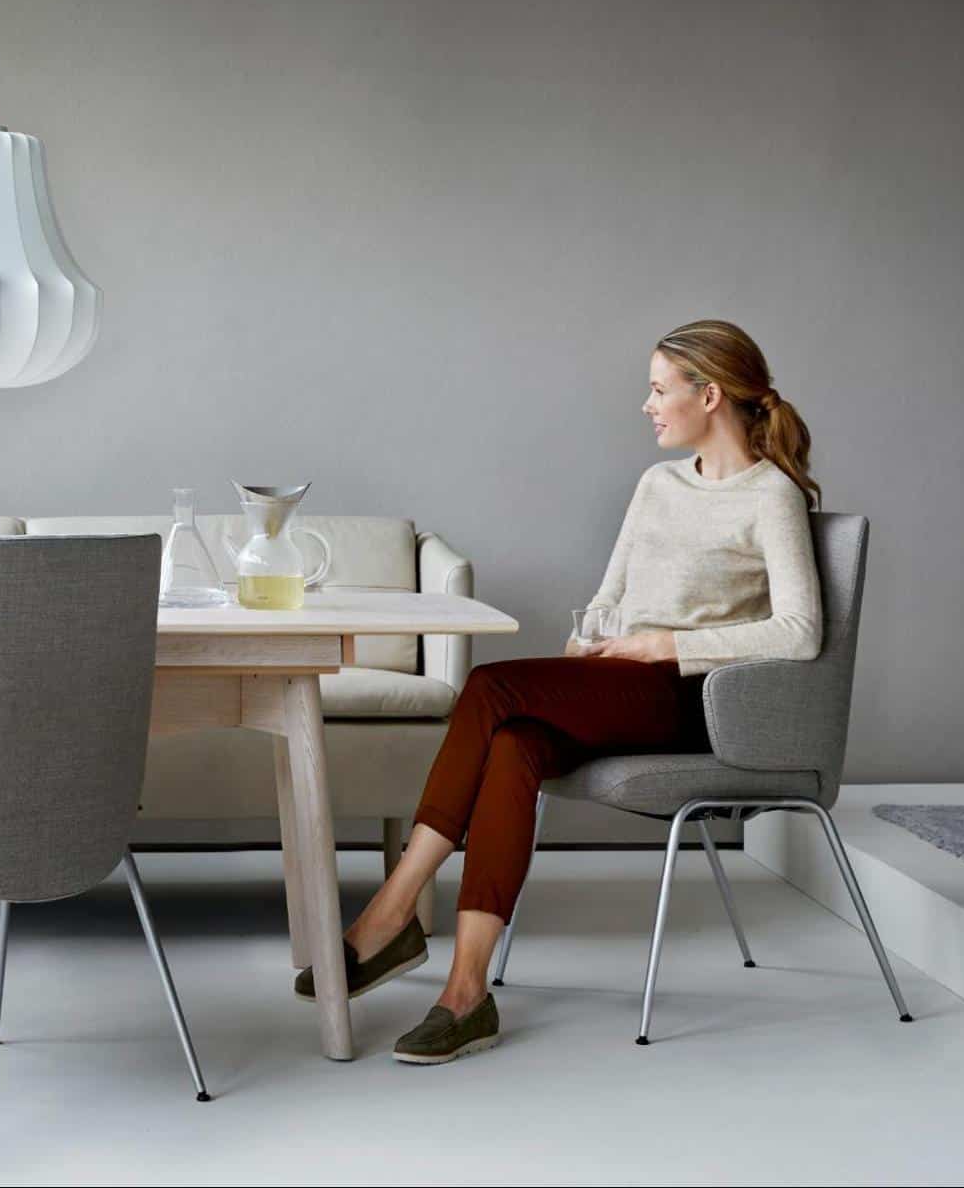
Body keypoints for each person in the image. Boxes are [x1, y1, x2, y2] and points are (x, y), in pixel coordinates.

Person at [300, 319, 825, 1064]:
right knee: (514, 742)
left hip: (690, 702)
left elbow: (801, 631)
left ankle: (391, 911)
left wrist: (665, 644)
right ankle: (466, 994)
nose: (646, 404)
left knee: (488, 683)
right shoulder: (657, 485)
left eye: (658, 389)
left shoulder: (769, 496)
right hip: (620, 681)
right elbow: (611, 594)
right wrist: (592, 639)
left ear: (709, 395)